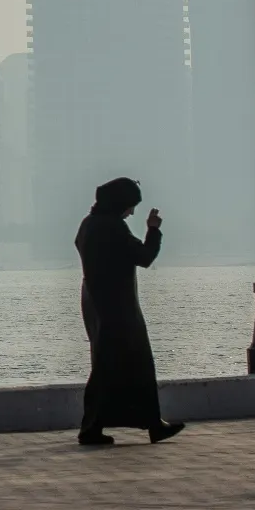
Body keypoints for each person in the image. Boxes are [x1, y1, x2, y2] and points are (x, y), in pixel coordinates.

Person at [75, 177, 184, 446]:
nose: (131, 211)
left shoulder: (89, 225)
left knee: (106, 365)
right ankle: (147, 424)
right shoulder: (112, 228)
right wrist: (153, 230)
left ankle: (100, 426)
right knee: (136, 364)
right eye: (130, 205)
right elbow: (145, 257)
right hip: (118, 306)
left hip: (96, 302)